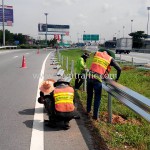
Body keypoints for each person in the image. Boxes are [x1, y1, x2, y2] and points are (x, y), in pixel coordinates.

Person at [86, 49, 121, 121]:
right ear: (109, 55)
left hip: (89, 77)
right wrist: (116, 79)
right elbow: (119, 69)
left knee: (89, 95)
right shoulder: (110, 58)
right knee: (97, 98)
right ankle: (95, 116)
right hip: (97, 79)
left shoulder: (97, 53)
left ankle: (88, 111)